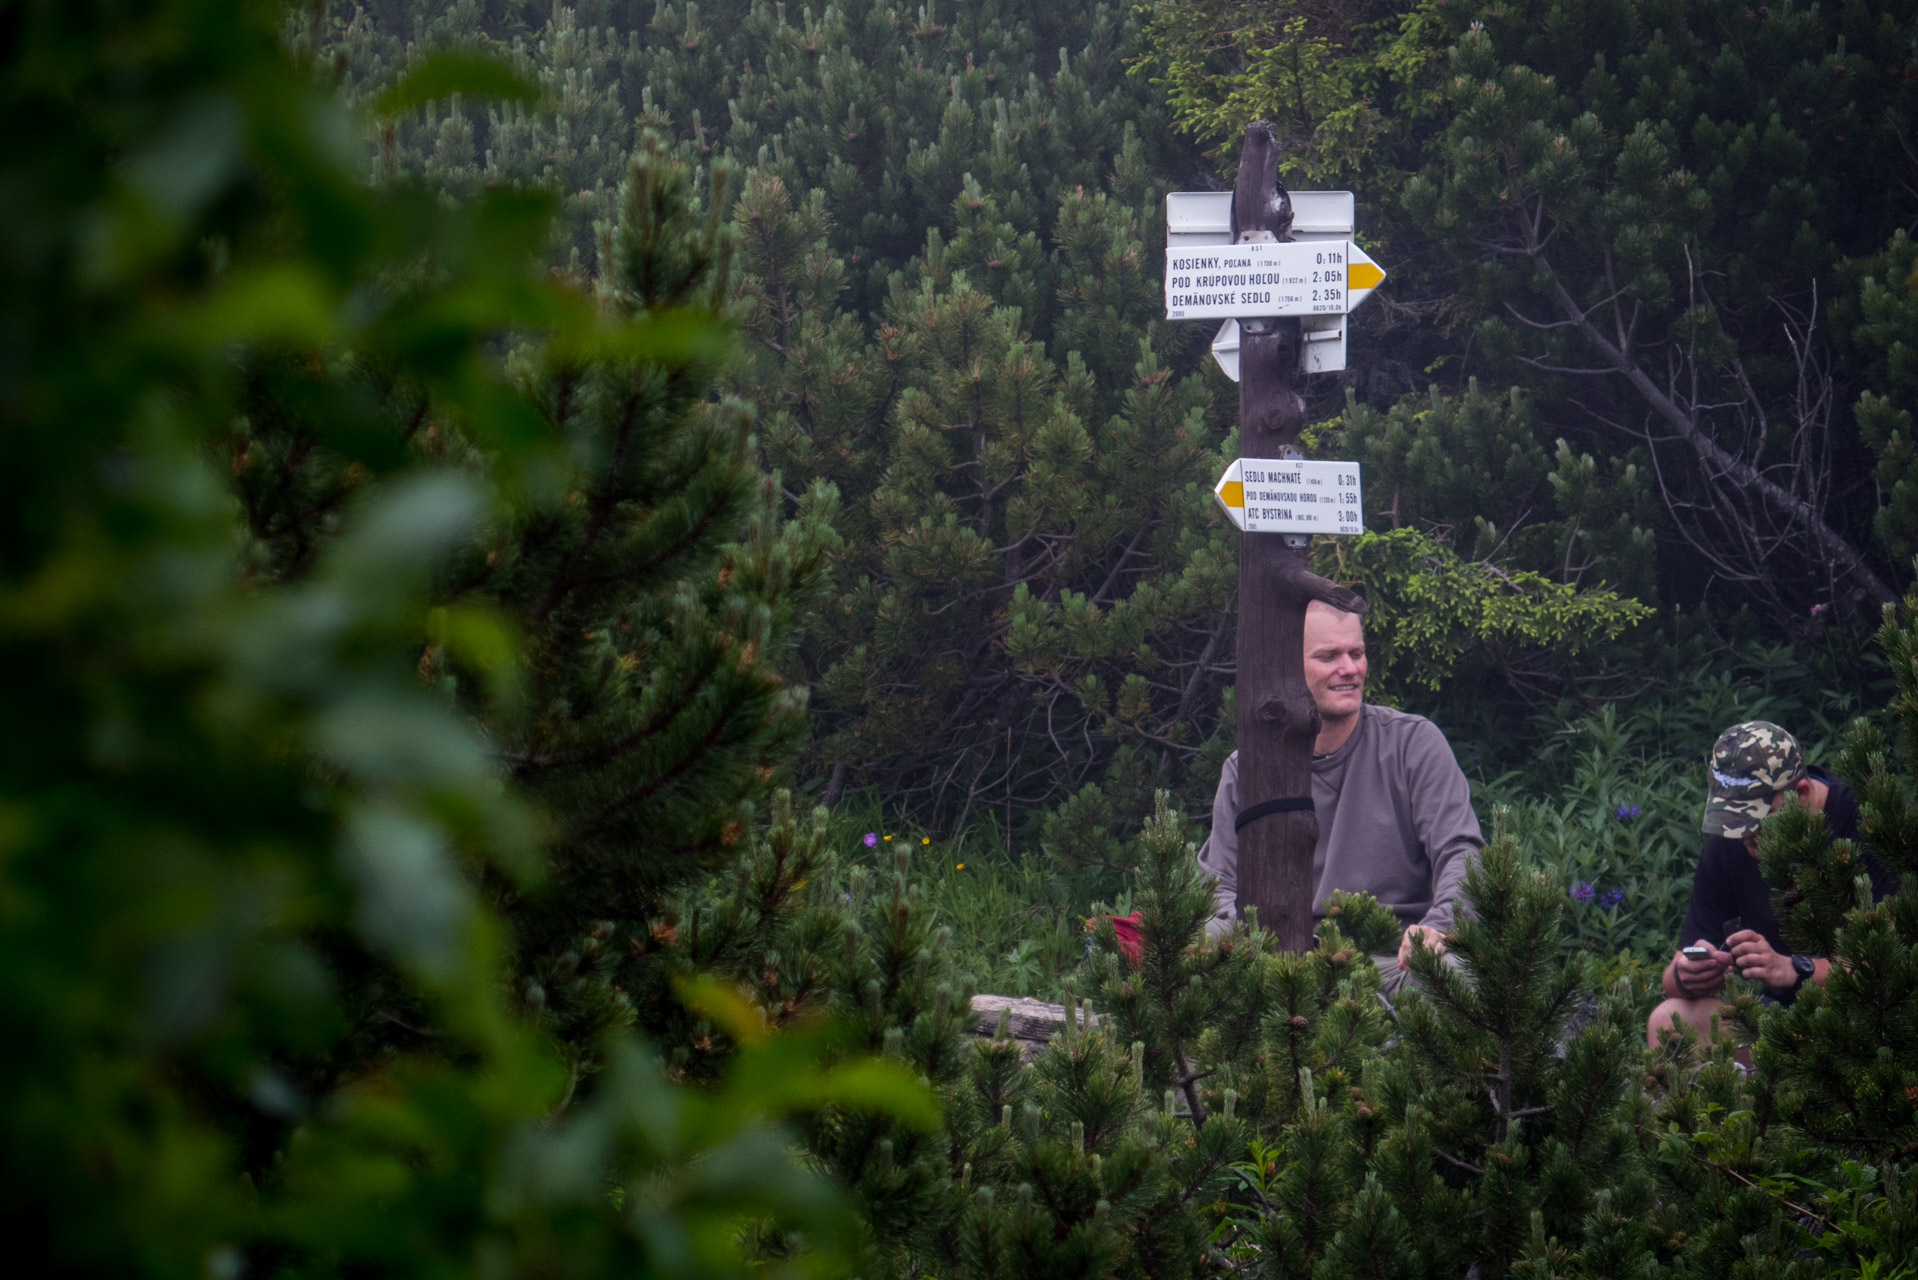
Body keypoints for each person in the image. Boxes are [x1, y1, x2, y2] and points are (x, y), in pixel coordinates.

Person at [1195, 599, 1484, 996]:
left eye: (1357, 653)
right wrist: (1249, 944)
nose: (1349, 668)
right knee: (1200, 936)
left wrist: (1439, 926)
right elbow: (1218, 884)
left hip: (1390, 964)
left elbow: (1463, 855)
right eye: (1328, 656)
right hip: (1280, 965)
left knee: (1454, 970)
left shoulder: (1413, 744)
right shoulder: (1250, 769)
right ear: (1288, 667)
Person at [1645, 720, 1897, 1051]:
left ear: (1801, 793)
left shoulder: (1871, 827)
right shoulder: (1728, 846)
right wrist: (1687, 977)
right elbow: (1673, 974)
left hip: (1877, 1027)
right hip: (1784, 1028)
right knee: (1668, 1019)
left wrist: (1792, 969)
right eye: (1733, 821)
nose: (1746, 835)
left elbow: (1890, 969)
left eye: (1757, 818)